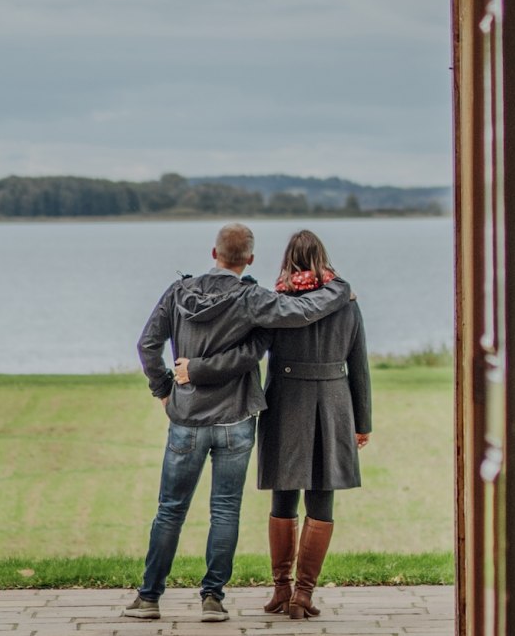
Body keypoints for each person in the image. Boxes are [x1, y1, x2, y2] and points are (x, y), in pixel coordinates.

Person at [123, 223, 353, 623]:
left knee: (169, 510)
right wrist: (339, 290)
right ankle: (212, 598)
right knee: (225, 511)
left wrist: (164, 388)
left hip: (186, 418)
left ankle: (149, 598)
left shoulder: (178, 292)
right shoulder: (253, 300)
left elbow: (147, 344)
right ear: (249, 258)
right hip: (235, 420)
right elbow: (301, 311)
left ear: (214, 254)